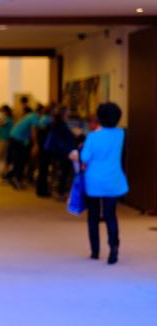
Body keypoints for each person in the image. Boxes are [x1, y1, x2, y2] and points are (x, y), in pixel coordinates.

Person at [71, 103, 128, 265]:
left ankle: (95, 251)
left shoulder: (93, 137)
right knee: (111, 215)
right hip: (113, 180)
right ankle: (114, 248)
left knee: (93, 215)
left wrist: (79, 151)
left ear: (100, 118)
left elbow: (85, 157)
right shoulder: (121, 134)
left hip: (94, 181)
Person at [6, 107, 39, 189]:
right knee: (20, 160)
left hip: (15, 137)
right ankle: (16, 179)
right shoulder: (34, 117)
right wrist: (35, 144)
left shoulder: (30, 116)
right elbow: (33, 131)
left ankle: (14, 177)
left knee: (20, 159)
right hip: (17, 139)